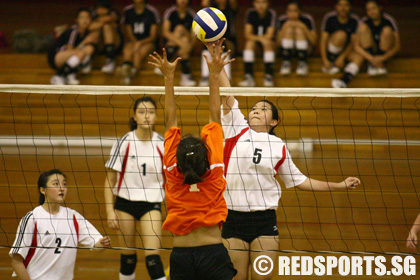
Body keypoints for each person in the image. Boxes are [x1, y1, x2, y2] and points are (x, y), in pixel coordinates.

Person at [218, 47, 361, 280]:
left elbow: (300, 181)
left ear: (274, 121)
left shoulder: (278, 146)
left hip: (265, 221)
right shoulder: (236, 129)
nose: (255, 110)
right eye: (254, 108)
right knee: (236, 277)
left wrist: (338, 186)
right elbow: (226, 93)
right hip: (233, 218)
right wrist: (217, 67)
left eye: (263, 109)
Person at [148, 40, 236, 279]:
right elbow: (214, 114)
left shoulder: (172, 172)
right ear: (205, 155)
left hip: (181, 257)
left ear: (177, 158)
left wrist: (168, 78)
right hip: (214, 255)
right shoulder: (215, 169)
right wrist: (214, 73)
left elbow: (169, 120)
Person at [104, 97, 167, 280]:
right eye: (141, 112)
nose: (146, 116)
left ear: (156, 116)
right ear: (134, 116)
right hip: (125, 204)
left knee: (153, 259)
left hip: (152, 204)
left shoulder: (162, 144)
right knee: (128, 258)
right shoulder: (124, 142)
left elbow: (172, 181)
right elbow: (109, 181)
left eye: (151, 112)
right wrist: (109, 211)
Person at [10, 169, 111, 280]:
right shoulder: (32, 219)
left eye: (64, 184)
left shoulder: (73, 217)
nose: (62, 188)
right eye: (56, 184)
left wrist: (102, 244)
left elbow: (96, 245)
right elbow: (16, 261)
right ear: (43, 190)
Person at [319, 0, 364, 88]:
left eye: (346, 5)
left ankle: (343, 80)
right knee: (341, 35)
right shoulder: (329, 18)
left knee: (359, 56)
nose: (343, 8)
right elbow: (323, 40)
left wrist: (342, 57)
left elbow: (353, 42)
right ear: (336, 6)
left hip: (345, 52)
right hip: (331, 51)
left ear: (350, 7)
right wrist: (324, 60)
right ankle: (332, 63)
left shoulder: (354, 19)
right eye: (340, 5)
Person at [48, 8, 97, 85]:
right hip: (57, 56)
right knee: (81, 53)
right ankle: (58, 76)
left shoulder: (87, 32)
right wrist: (84, 42)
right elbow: (69, 50)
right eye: (82, 17)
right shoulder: (73, 31)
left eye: (87, 17)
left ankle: (71, 73)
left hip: (69, 56)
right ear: (76, 20)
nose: (85, 20)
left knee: (89, 48)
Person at [120, 0, 161, 85]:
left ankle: (132, 73)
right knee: (128, 49)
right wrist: (135, 42)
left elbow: (153, 36)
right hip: (133, 41)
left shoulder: (151, 11)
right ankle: (126, 68)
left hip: (148, 42)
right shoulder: (128, 11)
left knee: (137, 53)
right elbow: (127, 31)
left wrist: (140, 43)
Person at [355, 0, 400, 76]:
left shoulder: (389, 20)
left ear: (380, 8)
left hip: (384, 56)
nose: (372, 12)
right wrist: (371, 58)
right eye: (369, 10)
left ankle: (381, 65)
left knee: (387, 30)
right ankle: (372, 65)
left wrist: (382, 58)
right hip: (370, 56)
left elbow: (397, 46)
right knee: (363, 28)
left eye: (374, 8)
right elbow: (356, 46)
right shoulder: (363, 21)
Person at [199, 0, 237, 86]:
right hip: (212, 39)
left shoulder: (230, 10)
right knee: (207, 46)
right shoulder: (211, 10)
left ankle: (227, 78)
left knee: (224, 47)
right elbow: (204, 3)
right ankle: (205, 77)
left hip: (228, 40)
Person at [239, 0, 276, 87]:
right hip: (256, 40)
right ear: (254, 3)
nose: (260, 5)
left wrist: (263, 39)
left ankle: (269, 76)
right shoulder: (251, 13)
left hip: (271, 44)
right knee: (249, 43)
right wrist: (260, 38)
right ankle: (248, 76)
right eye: (258, 2)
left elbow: (270, 35)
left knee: (267, 43)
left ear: (268, 4)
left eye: (263, 2)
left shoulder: (271, 13)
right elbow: (247, 34)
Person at [277, 0, 317, 76]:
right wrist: (284, 27)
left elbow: (314, 41)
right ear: (286, 11)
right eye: (290, 11)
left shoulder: (307, 19)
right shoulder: (282, 20)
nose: (292, 14)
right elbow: (278, 43)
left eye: (295, 11)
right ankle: (286, 62)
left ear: (300, 11)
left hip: (306, 50)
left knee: (299, 30)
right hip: (285, 50)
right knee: (289, 30)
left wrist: (303, 27)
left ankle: (302, 63)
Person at [162, 0, 197, 86]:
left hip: (186, 44)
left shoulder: (192, 14)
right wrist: (183, 45)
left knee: (181, 31)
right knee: (179, 30)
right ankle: (186, 75)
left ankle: (165, 61)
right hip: (171, 43)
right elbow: (165, 32)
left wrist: (189, 47)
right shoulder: (170, 12)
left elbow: (194, 36)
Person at [90, 0, 122, 74]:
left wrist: (99, 22)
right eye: (99, 8)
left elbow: (111, 18)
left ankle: (110, 60)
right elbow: (90, 27)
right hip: (98, 45)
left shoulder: (113, 13)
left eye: (103, 8)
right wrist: (99, 23)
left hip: (115, 45)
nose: (101, 11)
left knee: (107, 26)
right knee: (96, 30)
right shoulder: (92, 13)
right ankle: (87, 59)